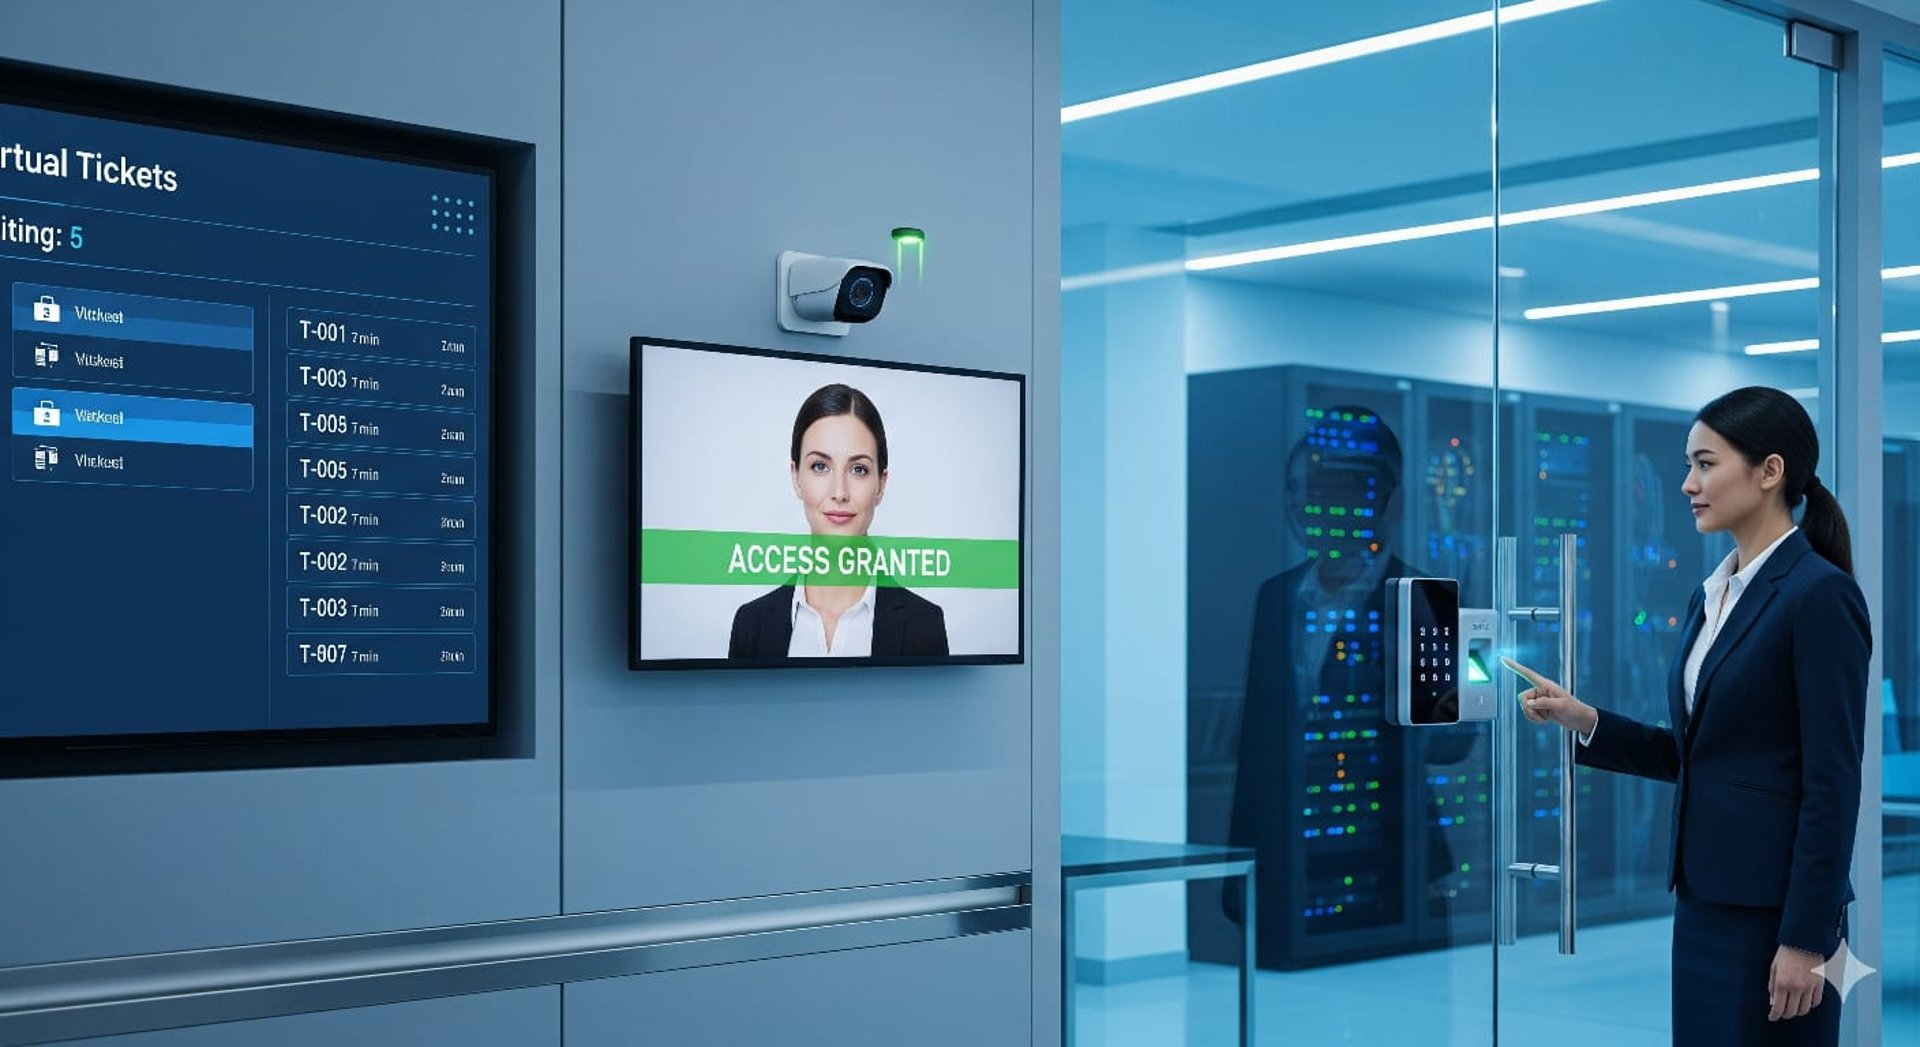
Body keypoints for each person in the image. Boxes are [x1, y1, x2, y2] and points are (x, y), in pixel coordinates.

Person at [1508, 386, 1870, 1046]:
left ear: (1770, 471)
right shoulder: (1712, 597)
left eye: (1705, 464)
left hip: (1775, 914)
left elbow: (1833, 784)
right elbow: (1703, 754)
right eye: (1688, 465)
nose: (1687, 484)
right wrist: (1585, 717)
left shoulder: (1820, 596)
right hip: (1705, 901)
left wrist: (1805, 937)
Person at [1225, 406, 1473, 967]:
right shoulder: (1277, 596)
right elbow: (1257, 749)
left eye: (1323, 486)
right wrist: (1237, 865)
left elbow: (1453, 743)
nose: (1301, 503)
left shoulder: (1422, 598)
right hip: (1291, 863)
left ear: (1380, 497)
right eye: (1296, 487)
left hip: (1392, 866)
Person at [728, 382, 949, 659]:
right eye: (820, 466)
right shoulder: (751, 624)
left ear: (881, 484)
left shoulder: (925, 625)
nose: (840, 493)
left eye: (858, 469)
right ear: (796, 477)